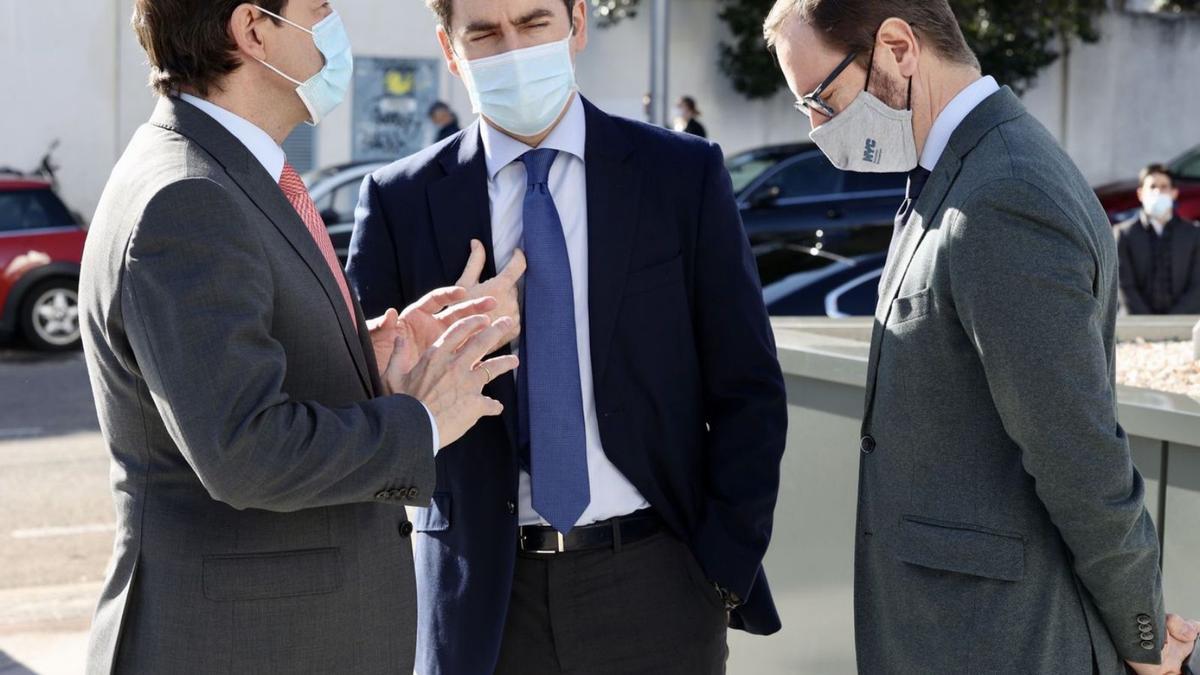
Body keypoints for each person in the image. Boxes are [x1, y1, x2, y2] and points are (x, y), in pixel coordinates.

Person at [346, 0, 788, 672]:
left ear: (577, 23)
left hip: (657, 584)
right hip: (479, 602)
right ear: (449, 47)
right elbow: (362, 411)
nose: (514, 50)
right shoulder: (398, 202)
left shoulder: (680, 176)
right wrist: (426, 356)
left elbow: (747, 388)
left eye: (533, 23)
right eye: (486, 33)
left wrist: (720, 568)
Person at [78, 1, 520, 672]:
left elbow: (244, 363)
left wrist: (370, 351)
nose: (333, 24)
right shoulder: (188, 196)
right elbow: (245, 448)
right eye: (319, 8)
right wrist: (422, 422)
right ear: (253, 31)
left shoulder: (226, 172)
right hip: (241, 644)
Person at [763, 0, 1198, 673]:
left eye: (821, 98)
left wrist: (1144, 635)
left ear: (900, 49)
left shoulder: (1004, 193)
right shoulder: (954, 172)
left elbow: (1077, 452)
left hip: (998, 640)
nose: (817, 128)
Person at [1117, 163, 1200, 315]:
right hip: (1136, 326)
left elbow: (1197, 286)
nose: (1158, 191)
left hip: (1183, 324)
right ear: (1140, 193)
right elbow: (1124, 286)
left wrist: (1171, 321)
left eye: (1164, 186)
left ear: (1174, 193)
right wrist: (1148, 322)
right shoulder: (1124, 234)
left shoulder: (1193, 234)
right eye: (1152, 186)